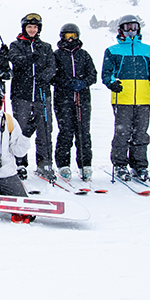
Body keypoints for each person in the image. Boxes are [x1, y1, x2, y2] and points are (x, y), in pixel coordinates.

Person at [101, 14, 150, 182]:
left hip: (143, 98)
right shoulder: (113, 50)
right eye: (127, 27)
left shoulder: (148, 50)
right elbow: (106, 73)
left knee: (141, 133)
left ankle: (139, 165)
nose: (131, 30)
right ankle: (120, 164)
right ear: (121, 30)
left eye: (134, 27)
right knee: (122, 133)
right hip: (122, 98)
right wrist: (112, 83)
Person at [7, 12, 57, 181]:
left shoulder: (46, 47)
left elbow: (52, 66)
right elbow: (15, 60)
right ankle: (20, 162)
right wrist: (29, 58)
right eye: (29, 27)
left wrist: (46, 76)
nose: (32, 30)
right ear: (24, 28)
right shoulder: (16, 45)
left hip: (41, 94)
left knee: (44, 128)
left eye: (35, 27)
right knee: (20, 129)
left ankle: (44, 163)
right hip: (22, 94)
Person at [51, 23, 97, 182]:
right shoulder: (56, 55)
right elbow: (51, 76)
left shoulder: (83, 55)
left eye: (73, 36)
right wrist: (65, 82)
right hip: (63, 99)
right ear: (62, 37)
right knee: (66, 131)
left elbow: (93, 74)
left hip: (82, 99)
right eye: (67, 36)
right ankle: (63, 164)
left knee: (83, 131)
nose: (70, 39)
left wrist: (83, 83)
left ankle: (85, 164)